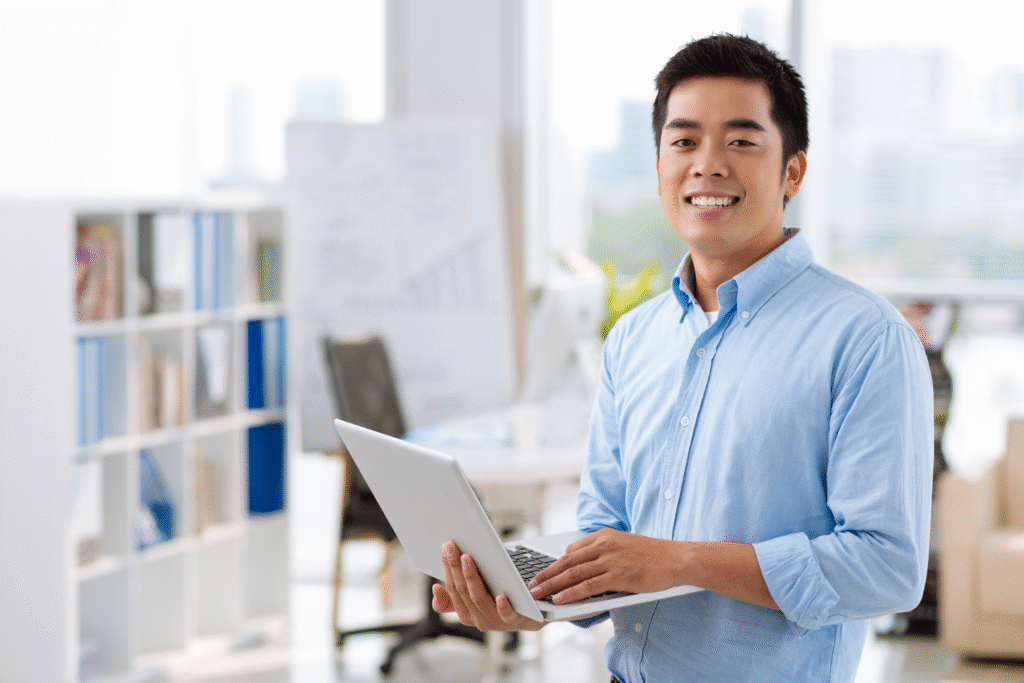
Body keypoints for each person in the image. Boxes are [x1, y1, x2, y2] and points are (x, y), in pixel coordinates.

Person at [432, 33, 933, 682]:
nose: (708, 165)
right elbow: (607, 532)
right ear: (659, 166)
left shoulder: (865, 338)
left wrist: (681, 562)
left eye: (741, 141)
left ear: (793, 171)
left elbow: (887, 567)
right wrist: (535, 600)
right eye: (685, 141)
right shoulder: (633, 339)